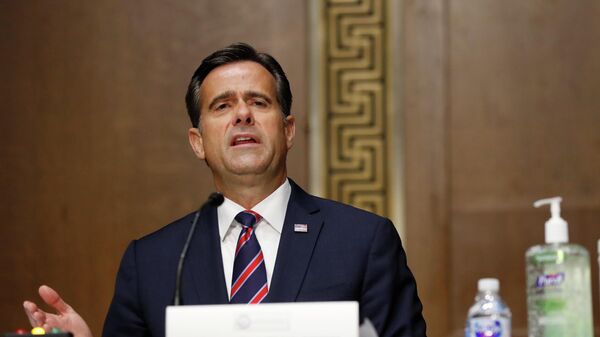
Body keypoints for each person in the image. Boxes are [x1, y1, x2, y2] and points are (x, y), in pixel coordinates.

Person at [23, 43, 427, 337]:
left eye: (258, 102)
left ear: (288, 131)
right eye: (222, 106)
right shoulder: (151, 262)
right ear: (197, 142)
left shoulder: (362, 240)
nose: (242, 114)